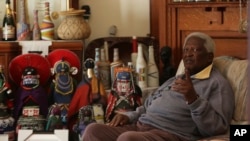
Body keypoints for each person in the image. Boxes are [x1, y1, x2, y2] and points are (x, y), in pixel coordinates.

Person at [82, 32, 235, 141]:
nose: (188, 54)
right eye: (186, 50)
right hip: (141, 126)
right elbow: (147, 106)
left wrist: (193, 99)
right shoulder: (177, 78)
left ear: (209, 57)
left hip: (171, 134)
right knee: (93, 130)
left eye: (194, 50)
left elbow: (217, 128)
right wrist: (129, 116)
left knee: (127, 139)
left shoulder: (217, 84)